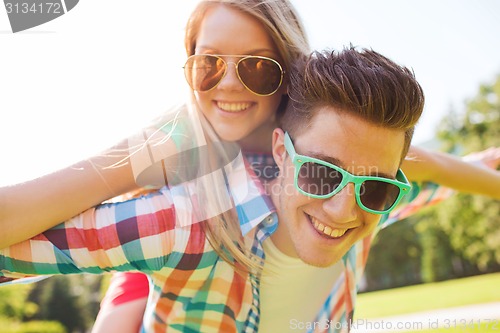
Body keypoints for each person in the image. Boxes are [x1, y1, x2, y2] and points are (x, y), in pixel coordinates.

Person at [2, 46, 500, 333]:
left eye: (373, 188)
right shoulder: (188, 227)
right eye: (323, 173)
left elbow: (440, 176)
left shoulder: (376, 202)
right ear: (281, 151)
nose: (344, 209)